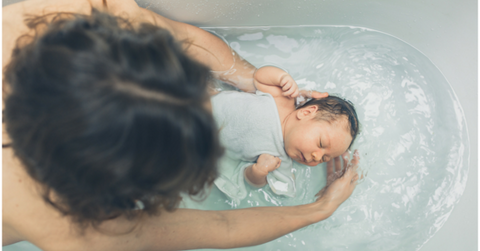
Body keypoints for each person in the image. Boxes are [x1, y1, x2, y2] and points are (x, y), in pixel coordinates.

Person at [2, 0, 360, 250]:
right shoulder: (77, 229)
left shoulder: (64, 15)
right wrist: (318, 210)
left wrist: (252, 80)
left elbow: (183, 39)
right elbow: (223, 226)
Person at [212, 66, 359, 199]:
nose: (316, 156)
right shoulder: (283, 100)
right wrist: (282, 78)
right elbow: (259, 77)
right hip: (204, 101)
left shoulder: (279, 161)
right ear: (306, 112)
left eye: (324, 159)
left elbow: (255, 183)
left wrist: (258, 172)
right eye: (321, 143)